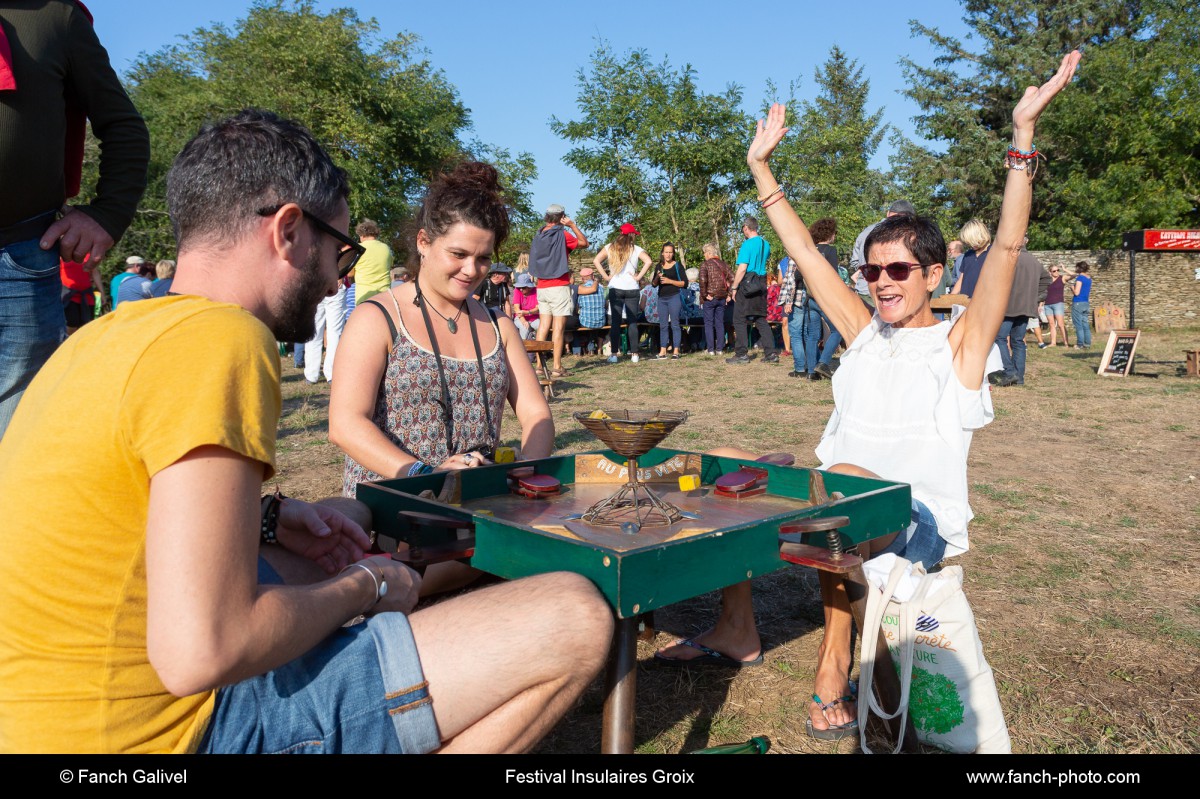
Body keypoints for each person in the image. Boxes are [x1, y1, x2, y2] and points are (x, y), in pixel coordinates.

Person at [0, 109, 610, 755]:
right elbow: (201, 653)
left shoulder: (96, 339)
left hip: (39, 716)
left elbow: (119, 519)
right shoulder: (223, 340)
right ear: (289, 230)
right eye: (338, 249)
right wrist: (366, 586)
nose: (335, 278)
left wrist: (268, 519)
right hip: (163, 733)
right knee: (574, 613)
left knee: (339, 523)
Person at [655, 53, 1080, 741]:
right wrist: (761, 169)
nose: (882, 281)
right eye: (873, 269)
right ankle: (737, 626)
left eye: (900, 269)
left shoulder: (958, 346)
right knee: (728, 468)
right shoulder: (861, 333)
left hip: (915, 520)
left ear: (933, 273)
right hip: (841, 499)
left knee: (840, 488)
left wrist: (1022, 138)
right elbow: (805, 254)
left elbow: (1006, 247)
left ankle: (839, 665)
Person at [0, 0, 149, 439]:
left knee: (18, 438)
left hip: (21, 257)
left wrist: (108, 214)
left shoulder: (55, 14)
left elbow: (123, 125)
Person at [529, 204, 588, 378]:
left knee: (543, 326)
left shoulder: (539, 235)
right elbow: (584, 243)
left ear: (547, 217)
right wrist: (572, 225)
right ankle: (556, 367)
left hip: (542, 286)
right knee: (559, 327)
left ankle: (539, 366)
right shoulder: (562, 234)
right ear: (562, 217)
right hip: (559, 285)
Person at [990, 244, 1052, 387]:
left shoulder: (1009, 258)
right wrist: (1034, 298)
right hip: (1025, 307)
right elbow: (1047, 280)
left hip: (1008, 306)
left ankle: (1010, 371)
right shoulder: (1034, 261)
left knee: (1000, 338)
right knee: (1018, 341)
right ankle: (1019, 378)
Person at [592, 223, 653, 363]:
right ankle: (635, 354)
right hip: (632, 288)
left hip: (615, 287)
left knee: (615, 322)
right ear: (631, 235)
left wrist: (606, 277)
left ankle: (614, 354)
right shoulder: (636, 249)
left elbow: (596, 260)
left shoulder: (610, 247)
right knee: (632, 322)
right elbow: (648, 261)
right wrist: (638, 277)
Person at [726, 217, 778, 365]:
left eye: (743, 228)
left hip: (748, 283)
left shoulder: (747, 244)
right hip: (761, 283)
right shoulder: (765, 244)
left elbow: (742, 268)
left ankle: (741, 354)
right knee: (760, 318)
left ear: (746, 228)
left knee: (739, 319)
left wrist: (734, 287)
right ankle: (771, 353)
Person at [849, 200, 915, 306]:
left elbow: (855, 261)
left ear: (888, 213)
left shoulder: (866, 231)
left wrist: (867, 271)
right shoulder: (905, 233)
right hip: (888, 294)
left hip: (863, 291)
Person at [303, 268, 347, 384]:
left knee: (314, 331)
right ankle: (331, 373)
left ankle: (311, 375)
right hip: (334, 282)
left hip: (315, 283)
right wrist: (341, 275)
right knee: (334, 333)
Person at [698, 242, 733, 355]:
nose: (704, 255)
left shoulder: (705, 265)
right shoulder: (724, 264)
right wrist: (729, 294)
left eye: (704, 253)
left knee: (708, 323)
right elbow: (733, 279)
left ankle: (710, 349)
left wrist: (704, 295)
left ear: (708, 253)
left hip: (710, 298)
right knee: (719, 323)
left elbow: (702, 281)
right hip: (722, 298)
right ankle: (720, 349)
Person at [654, 242, 687, 359]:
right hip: (661, 298)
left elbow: (685, 283)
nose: (668, 254)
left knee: (675, 324)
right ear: (662, 253)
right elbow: (653, 284)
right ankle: (662, 350)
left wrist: (670, 281)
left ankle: (676, 351)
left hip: (674, 296)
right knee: (663, 325)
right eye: (666, 252)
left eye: (670, 252)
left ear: (673, 254)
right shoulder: (658, 266)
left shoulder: (677, 265)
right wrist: (657, 277)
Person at [59, 255, 105, 334]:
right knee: (72, 322)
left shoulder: (88, 255)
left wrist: (102, 293)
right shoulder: (62, 255)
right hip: (69, 295)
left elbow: (95, 273)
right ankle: (68, 340)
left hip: (86, 296)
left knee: (87, 325)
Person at [352, 219, 394, 305]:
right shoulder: (386, 248)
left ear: (362, 235)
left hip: (364, 295)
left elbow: (350, 273)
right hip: (385, 295)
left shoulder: (358, 249)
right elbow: (389, 266)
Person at [951, 219, 992, 298]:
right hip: (966, 301)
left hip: (985, 300)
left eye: (972, 241)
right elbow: (961, 279)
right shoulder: (967, 255)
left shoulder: (993, 253)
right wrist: (951, 297)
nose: (970, 244)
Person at [1040, 264, 1069, 347]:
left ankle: (1066, 343)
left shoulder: (1062, 278)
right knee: (1051, 324)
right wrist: (1041, 304)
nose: (1056, 272)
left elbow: (1074, 275)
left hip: (1058, 304)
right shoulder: (1047, 281)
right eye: (1054, 271)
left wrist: (1065, 269)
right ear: (1050, 272)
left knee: (1060, 324)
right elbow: (1044, 293)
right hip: (1047, 304)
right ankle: (1053, 343)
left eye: (1058, 270)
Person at [1069, 262, 1093, 348]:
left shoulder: (1080, 278)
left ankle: (1080, 344)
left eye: (1076, 267)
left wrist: (1072, 287)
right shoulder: (1089, 278)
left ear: (1079, 268)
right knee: (1085, 324)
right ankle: (1087, 344)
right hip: (1085, 303)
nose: (1075, 269)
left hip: (1078, 303)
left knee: (1078, 325)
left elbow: (1076, 292)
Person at [511, 272, 539, 339]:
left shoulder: (536, 291)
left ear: (529, 287)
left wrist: (527, 312)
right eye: (519, 287)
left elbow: (538, 309)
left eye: (523, 287)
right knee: (524, 327)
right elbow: (516, 308)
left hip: (534, 318)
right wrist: (524, 321)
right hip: (520, 317)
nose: (521, 289)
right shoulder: (517, 290)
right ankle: (522, 344)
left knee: (542, 326)